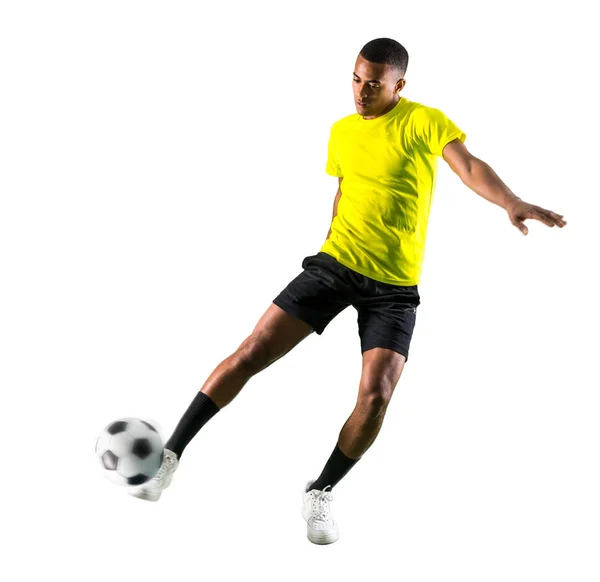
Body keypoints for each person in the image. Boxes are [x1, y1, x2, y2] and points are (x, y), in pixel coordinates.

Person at [128, 38, 567, 545]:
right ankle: (169, 457)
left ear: (399, 85)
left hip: (394, 288)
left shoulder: (424, 121)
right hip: (335, 265)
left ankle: (321, 491)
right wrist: (331, 240)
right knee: (251, 351)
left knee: (377, 396)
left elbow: (467, 166)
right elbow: (345, 189)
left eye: (374, 84)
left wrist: (510, 201)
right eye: (356, 80)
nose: (361, 92)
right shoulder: (341, 132)